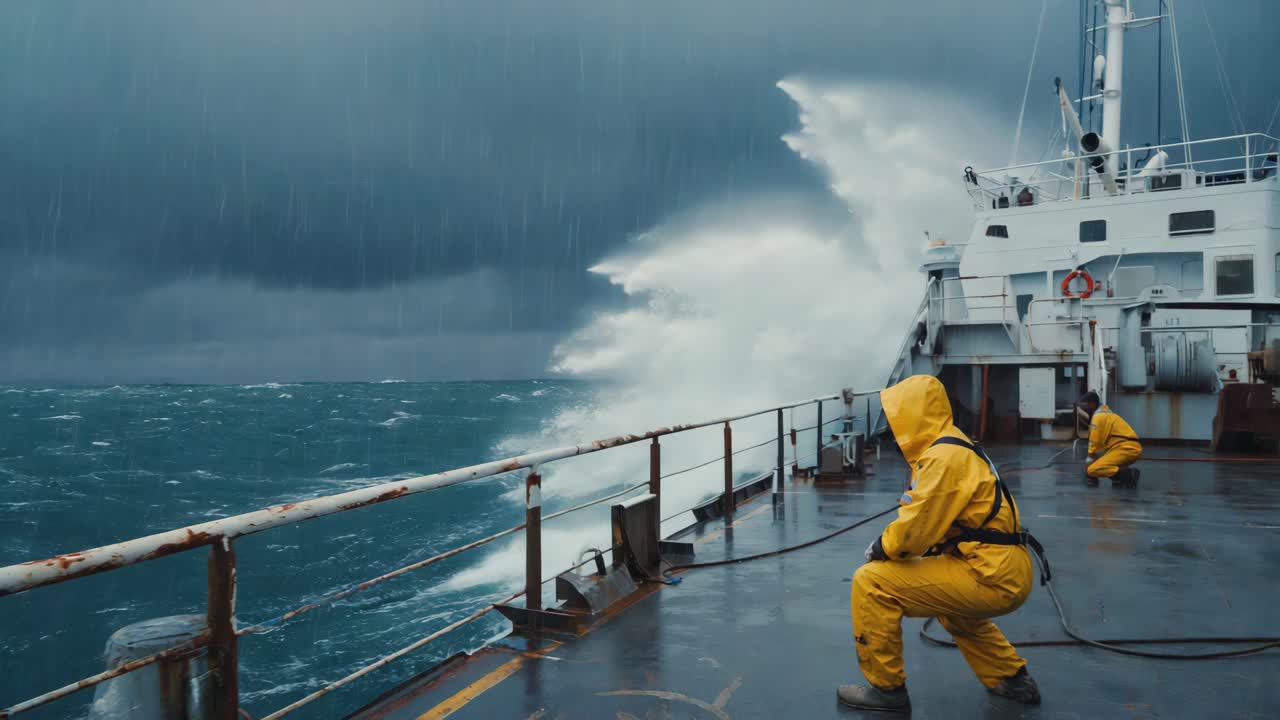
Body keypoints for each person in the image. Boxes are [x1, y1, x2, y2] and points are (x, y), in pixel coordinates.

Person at [838, 375, 1042, 713]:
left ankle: (887, 690)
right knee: (951, 610)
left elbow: (914, 533)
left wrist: (880, 547)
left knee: (871, 582)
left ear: (915, 413)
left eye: (898, 414)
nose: (893, 423)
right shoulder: (954, 443)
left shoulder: (942, 456)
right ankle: (1010, 678)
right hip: (1002, 567)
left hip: (991, 575)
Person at [1078, 391, 1142, 486]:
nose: (1084, 408)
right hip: (1129, 448)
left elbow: (1094, 445)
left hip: (1126, 449)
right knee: (1105, 463)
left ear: (1092, 403)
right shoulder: (1107, 414)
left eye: (1085, 405)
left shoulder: (1098, 417)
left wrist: (1089, 468)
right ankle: (1119, 478)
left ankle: (1129, 475)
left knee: (1093, 469)